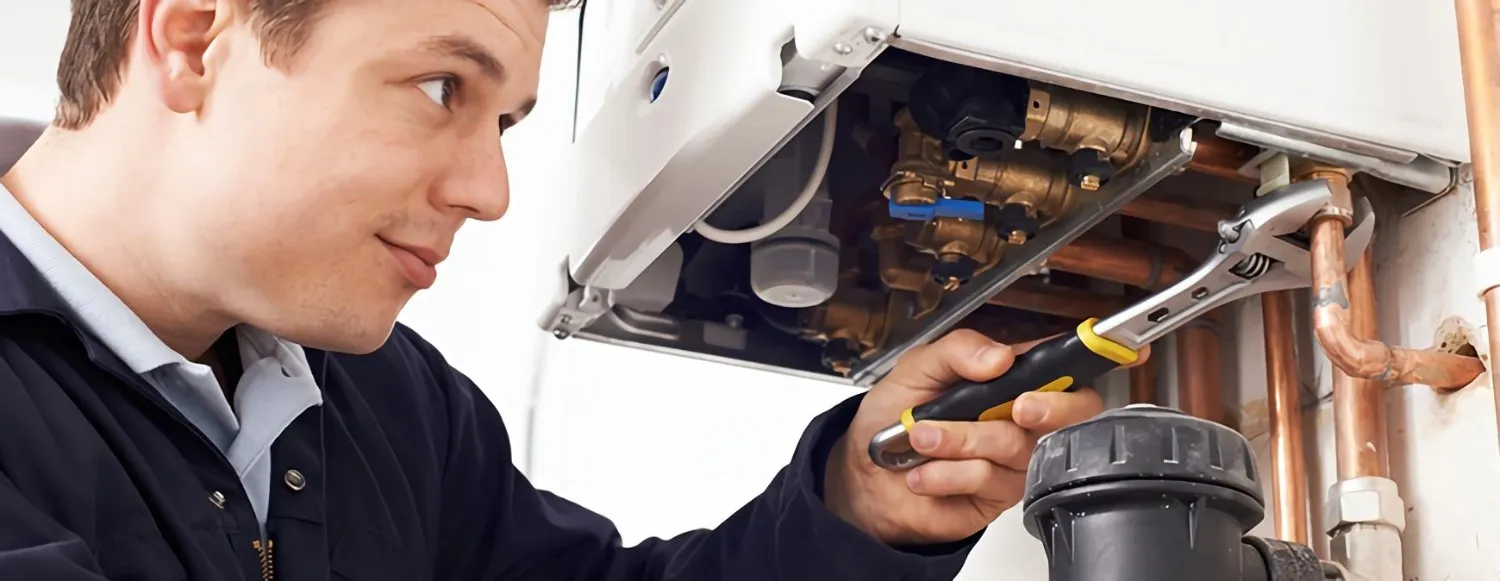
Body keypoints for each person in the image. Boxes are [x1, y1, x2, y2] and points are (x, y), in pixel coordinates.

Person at [0, 0, 1142, 579]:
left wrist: (857, 506)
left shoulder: (385, 402)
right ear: (197, 36)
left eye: (502, 122)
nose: (489, 188)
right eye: (443, 85)